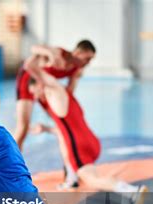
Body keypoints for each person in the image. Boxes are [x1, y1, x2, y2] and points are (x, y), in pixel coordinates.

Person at [24, 55, 148, 204]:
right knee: (88, 171)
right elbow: (64, 129)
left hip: (78, 145)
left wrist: (42, 53)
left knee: (93, 180)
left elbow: (31, 66)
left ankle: (132, 191)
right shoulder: (66, 93)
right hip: (91, 140)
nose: (33, 97)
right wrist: (46, 129)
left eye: (33, 91)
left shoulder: (53, 91)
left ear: (41, 83)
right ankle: (72, 178)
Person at [14, 40, 96, 187]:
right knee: (23, 128)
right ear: (78, 53)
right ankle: (12, 171)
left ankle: (70, 174)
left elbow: (69, 93)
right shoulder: (59, 53)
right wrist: (49, 51)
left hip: (45, 89)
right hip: (28, 83)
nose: (88, 63)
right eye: (87, 58)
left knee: (63, 129)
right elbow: (33, 48)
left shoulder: (76, 69)